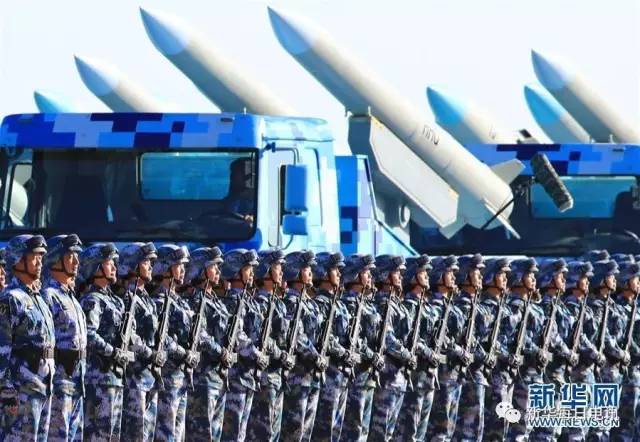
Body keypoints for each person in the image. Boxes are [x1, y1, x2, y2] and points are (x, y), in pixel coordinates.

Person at [0, 234, 54, 441]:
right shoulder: (10, 299)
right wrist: (6, 391)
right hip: (20, 391)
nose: (40, 262)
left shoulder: (38, 298)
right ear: (17, 260)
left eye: (41, 256)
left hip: (43, 387)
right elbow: (2, 347)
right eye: (34, 256)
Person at [79, 242, 130, 441]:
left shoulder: (115, 300)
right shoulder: (92, 300)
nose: (115, 267)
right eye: (109, 263)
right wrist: (113, 351)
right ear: (96, 267)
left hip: (115, 377)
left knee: (113, 435)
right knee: (99, 435)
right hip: (99, 378)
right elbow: (90, 335)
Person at [41, 234, 87, 442]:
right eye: (70, 256)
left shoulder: (71, 297)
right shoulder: (48, 295)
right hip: (60, 383)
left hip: (77, 382)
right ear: (55, 259)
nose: (76, 262)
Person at [120, 242, 167, 442]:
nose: (150, 266)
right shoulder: (127, 298)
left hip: (150, 377)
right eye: (146, 262)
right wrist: (150, 353)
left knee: (147, 435)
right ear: (133, 265)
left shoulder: (146, 299)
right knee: (136, 435)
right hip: (135, 378)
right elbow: (129, 336)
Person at [220, 248, 267, 442]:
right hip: (236, 377)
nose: (252, 273)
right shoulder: (232, 301)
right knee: (233, 433)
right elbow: (237, 337)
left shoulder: (248, 301)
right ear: (236, 271)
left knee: (242, 434)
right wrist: (256, 354)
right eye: (248, 269)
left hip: (248, 376)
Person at [281, 249, 328, 442]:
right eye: (306, 269)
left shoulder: (309, 303)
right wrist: (316, 356)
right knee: (294, 432)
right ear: (296, 272)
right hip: (298, 377)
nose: (311, 273)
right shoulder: (291, 302)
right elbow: (297, 337)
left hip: (312, 375)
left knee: (306, 433)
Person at [247, 248, 294, 442]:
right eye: (277, 267)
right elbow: (260, 338)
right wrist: (281, 354)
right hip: (265, 378)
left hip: (278, 376)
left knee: (274, 433)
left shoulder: (279, 303)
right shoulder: (259, 303)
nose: (281, 272)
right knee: (263, 433)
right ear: (265, 271)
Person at [184, 246, 229, 442]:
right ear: (201, 271)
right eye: (213, 266)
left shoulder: (216, 301)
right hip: (203, 378)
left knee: (215, 435)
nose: (218, 271)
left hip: (219, 376)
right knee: (202, 434)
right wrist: (220, 351)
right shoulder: (196, 300)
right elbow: (200, 336)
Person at [394, 254, 441, 442]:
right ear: (413, 277)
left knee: (421, 432)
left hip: (428, 375)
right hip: (416, 374)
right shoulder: (409, 307)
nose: (427, 276)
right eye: (422, 273)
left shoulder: (426, 306)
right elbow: (409, 338)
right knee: (409, 431)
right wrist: (428, 352)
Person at [152, 244, 196, 441]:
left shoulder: (179, 301)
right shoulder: (159, 302)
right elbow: (162, 338)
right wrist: (183, 353)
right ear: (165, 268)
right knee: (166, 433)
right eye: (178, 265)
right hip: (168, 376)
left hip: (182, 376)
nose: (183, 270)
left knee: (178, 434)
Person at [310, 251, 355, 442]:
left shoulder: (338, 304)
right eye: (335, 269)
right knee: (324, 433)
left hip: (341, 376)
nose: (339, 273)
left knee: (336, 433)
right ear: (323, 273)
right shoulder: (319, 304)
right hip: (329, 376)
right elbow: (324, 338)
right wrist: (344, 352)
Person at [339, 254, 380, 442]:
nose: (370, 276)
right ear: (354, 275)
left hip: (368, 374)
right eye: (365, 272)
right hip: (355, 375)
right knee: (353, 430)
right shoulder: (348, 305)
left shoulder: (368, 304)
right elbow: (354, 339)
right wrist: (371, 354)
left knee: (363, 430)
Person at [452, 254, 489, 442]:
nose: (481, 276)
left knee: (476, 429)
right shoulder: (459, 308)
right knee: (465, 429)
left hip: (478, 373)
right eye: (476, 272)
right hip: (465, 374)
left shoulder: (478, 307)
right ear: (465, 276)